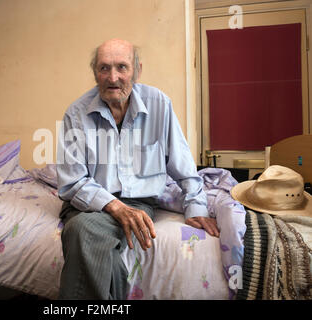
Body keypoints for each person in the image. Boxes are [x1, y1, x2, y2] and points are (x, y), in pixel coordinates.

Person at [56, 38, 219, 300]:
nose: (113, 77)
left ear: (137, 70)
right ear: (95, 73)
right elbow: (71, 182)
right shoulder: (76, 113)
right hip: (87, 204)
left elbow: (183, 165)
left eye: (122, 67)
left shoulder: (159, 104)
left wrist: (196, 207)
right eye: (104, 68)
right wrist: (115, 207)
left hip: (138, 203)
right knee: (80, 228)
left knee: (83, 232)